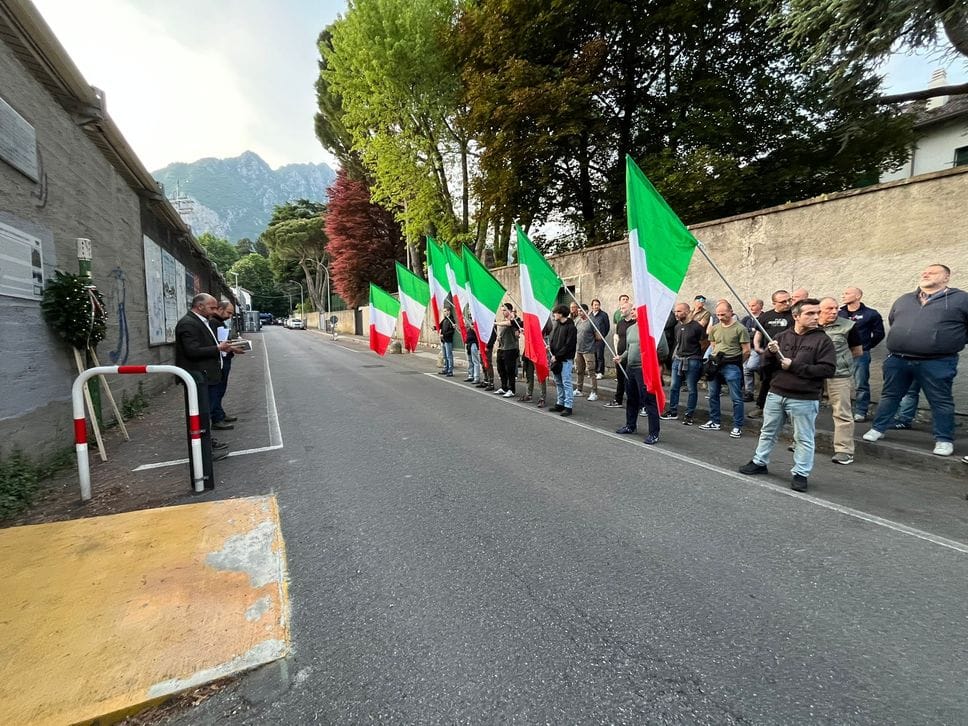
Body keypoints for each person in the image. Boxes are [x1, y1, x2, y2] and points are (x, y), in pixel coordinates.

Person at [863, 264, 968, 457]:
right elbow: (894, 321)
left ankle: (944, 440)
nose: (926, 274)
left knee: (941, 401)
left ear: (946, 277)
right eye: (924, 272)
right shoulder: (905, 299)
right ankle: (878, 428)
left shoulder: (961, 299)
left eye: (933, 272)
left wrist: (948, 340)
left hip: (937, 361)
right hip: (898, 360)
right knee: (890, 396)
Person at [739, 298, 836, 492]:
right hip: (777, 393)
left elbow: (827, 370)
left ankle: (801, 474)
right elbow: (765, 367)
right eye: (810, 313)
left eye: (817, 313)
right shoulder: (782, 337)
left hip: (804, 398)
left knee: (803, 438)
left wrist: (795, 366)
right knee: (768, 431)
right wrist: (769, 353)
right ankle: (759, 461)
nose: (816, 317)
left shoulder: (823, 340)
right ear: (796, 316)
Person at [175, 293, 236, 468]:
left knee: (205, 413)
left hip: (207, 376)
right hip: (200, 376)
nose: (215, 310)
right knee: (201, 414)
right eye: (212, 307)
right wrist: (218, 348)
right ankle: (203, 452)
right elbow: (192, 351)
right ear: (200, 306)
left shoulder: (202, 321)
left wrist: (225, 348)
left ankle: (207, 443)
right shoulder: (188, 324)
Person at [819, 297, 863, 465]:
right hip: (813, 373)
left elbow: (857, 351)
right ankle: (801, 441)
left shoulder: (848, 326)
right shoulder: (811, 325)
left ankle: (844, 451)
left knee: (842, 412)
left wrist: (840, 362)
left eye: (836, 308)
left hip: (838, 375)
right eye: (829, 308)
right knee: (806, 409)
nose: (834, 311)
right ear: (819, 311)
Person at [613, 306, 665, 444]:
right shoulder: (630, 329)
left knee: (649, 401)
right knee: (631, 399)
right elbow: (629, 348)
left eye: (635, 309)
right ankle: (630, 426)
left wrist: (649, 360)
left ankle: (654, 433)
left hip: (644, 370)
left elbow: (663, 350)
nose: (632, 311)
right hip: (630, 369)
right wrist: (621, 357)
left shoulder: (653, 329)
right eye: (632, 309)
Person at [699, 301, 750, 437]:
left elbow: (746, 351)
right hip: (715, 364)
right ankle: (714, 421)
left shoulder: (740, 329)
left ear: (731, 312)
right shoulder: (715, 328)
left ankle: (737, 426)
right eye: (718, 315)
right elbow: (714, 345)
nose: (720, 317)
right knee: (713, 395)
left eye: (723, 314)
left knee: (736, 398)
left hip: (732, 365)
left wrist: (736, 363)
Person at [838, 287, 885, 422]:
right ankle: (841, 410)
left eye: (847, 293)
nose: (843, 296)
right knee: (839, 383)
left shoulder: (871, 314)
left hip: (860, 354)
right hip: (841, 353)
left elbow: (879, 334)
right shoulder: (839, 313)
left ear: (858, 296)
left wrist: (866, 346)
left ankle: (860, 411)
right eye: (843, 293)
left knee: (861, 383)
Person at [660, 302, 706, 425]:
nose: (676, 313)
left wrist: (696, 356)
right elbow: (678, 343)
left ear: (687, 311)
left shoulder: (696, 327)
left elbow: (703, 343)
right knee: (674, 387)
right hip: (678, 359)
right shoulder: (677, 327)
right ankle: (673, 412)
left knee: (691, 388)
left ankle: (689, 415)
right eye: (675, 311)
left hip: (693, 360)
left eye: (679, 311)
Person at [750, 290, 794, 417]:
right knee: (766, 382)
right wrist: (757, 347)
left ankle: (787, 411)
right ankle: (761, 407)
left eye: (789, 300)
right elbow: (759, 332)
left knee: (788, 382)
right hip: (769, 356)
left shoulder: (794, 315)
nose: (787, 303)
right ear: (774, 303)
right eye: (783, 301)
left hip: (787, 356)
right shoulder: (766, 316)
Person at [209, 300, 245, 431]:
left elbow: (223, 341)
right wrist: (234, 348)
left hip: (224, 359)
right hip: (220, 360)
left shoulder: (218, 322)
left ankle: (220, 414)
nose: (230, 316)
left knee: (220, 389)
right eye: (228, 312)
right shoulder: (214, 323)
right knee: (217, 390)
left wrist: (233, 344)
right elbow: (218, 344)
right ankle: (217, 419)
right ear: (220, 309)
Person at [548, 304, 577, 417]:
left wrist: (558, 356)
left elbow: (569, 345)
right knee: (558, 382)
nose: (554, 315)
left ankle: (568, 406)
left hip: (565, 359)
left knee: (566, 382)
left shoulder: (571, 327)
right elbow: (554, 340)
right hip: (556, 358)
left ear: (561, 314)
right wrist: (550, 348)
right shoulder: (557, 325)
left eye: (555, 313)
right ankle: (560, 403)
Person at [605, 295, 633, 409]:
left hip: (631, 356)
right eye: (621, 308)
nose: (621, 310)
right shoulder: (620, 323)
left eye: (624, 308)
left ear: (630, 310)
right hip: (620, 355)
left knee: (631, 380)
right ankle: (618, 400)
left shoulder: (636, 323)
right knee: (620, 379)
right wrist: (617, 353)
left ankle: (634, 402)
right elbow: (617, 338)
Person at [521, 318, 552, 405]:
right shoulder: (529, 316)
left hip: (539, 348)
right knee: (529, 373)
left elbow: (549, 328)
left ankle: (542, 397)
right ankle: (528, 394)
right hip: (529, 348)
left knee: (540, 375)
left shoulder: (544, 317)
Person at [494, 303, 521, 397]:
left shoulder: (515, 320)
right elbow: (501, 330)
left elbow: (509, 324)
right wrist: (498, 337)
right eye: (502, 310)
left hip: (510, 348)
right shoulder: (503, 320)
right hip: (501, 348)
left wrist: (495, 323)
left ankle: (511, 389)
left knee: (510, 370)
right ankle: (504, 387)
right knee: (501, 369)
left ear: (509, 310)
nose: (503, 312)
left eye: (504, 310)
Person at [573, 304, 599, 401]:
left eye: (581, 311)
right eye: (578, 311)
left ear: (587, 311)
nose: (579, 313)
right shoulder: (577, 321)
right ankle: (579, 389)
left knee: (591, 371)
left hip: (589, 351)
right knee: (579, 370)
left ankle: (594, 392)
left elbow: (598, 336)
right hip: (578, 350)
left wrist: (590, 343)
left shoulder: (592, 321)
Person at [740, 298, 764, 401]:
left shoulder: (764, 317)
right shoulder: (746, 319)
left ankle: (763, 372)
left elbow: (760, 333)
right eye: (749, 306)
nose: (751, 308)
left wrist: (750, 331)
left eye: (753, 305)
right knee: (746, 370)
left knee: (751, 366)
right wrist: (752, 330)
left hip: (757, 348)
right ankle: (748, 392)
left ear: (760, 306)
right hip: (746, 347)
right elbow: (741, 331)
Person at [590, 299, 611, 379]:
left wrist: (602, 335)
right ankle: (595, 371)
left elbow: (607, 327)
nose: (596, 306)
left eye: (598, 305)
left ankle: (600, 372)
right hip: (592, 339)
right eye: (595, 305)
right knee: (594, 355)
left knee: (600, 355)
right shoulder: (590, 315)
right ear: (592, 306)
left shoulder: (603, 315)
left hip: (600, 339)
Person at [437, 304, 456, 377]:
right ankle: (445, 369)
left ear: (448, 311)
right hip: (443, 340)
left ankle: (450, 371)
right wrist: (434, 327)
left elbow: (452, 331)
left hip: (448, 340)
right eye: (443, 311)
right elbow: (439, 326)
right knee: (445, 356)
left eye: (445, 311)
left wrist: (444, 335)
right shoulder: (444, 320)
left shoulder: (451, 320)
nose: (444, 312)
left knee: (449, 356)